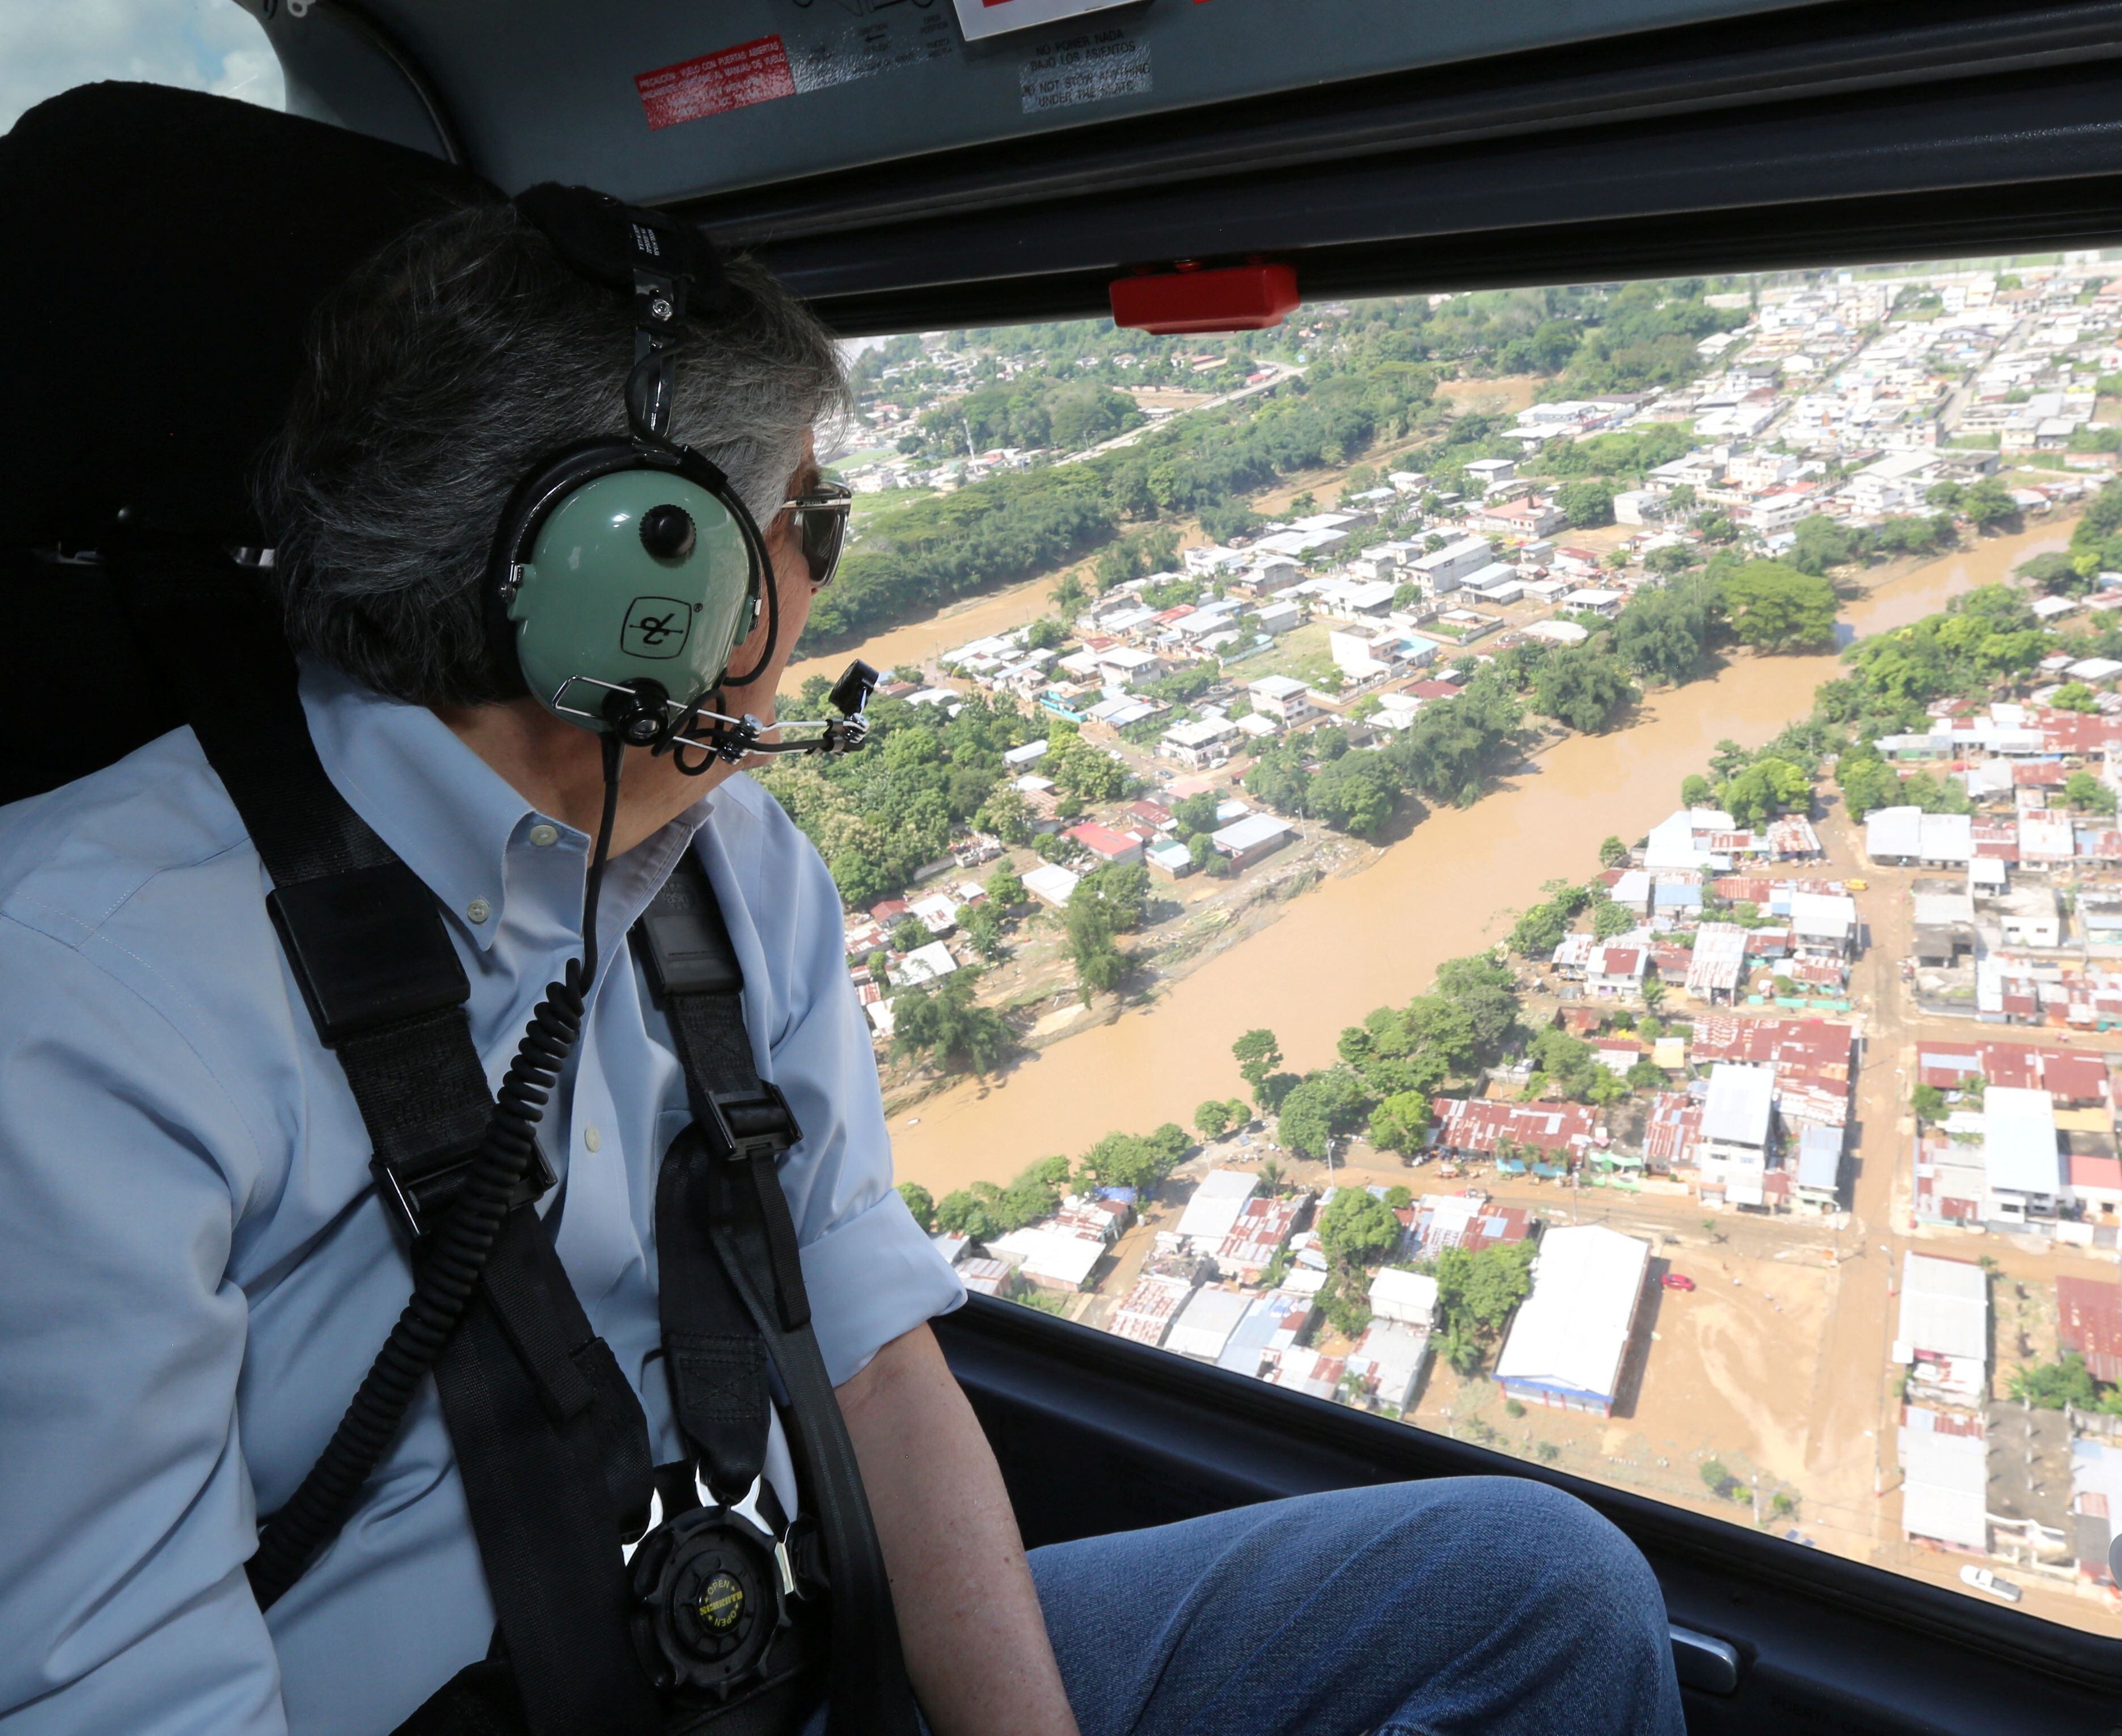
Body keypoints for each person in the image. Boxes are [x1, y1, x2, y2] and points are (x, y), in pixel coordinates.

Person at [0, 200, 1684, 1736]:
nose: (823, 568)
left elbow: (874, 1365)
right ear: (640, 580)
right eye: (811, 514)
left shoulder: (729, 867)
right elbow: (121, 1699)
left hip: (801, 1656)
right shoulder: (78, 991)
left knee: (1525, 1591)